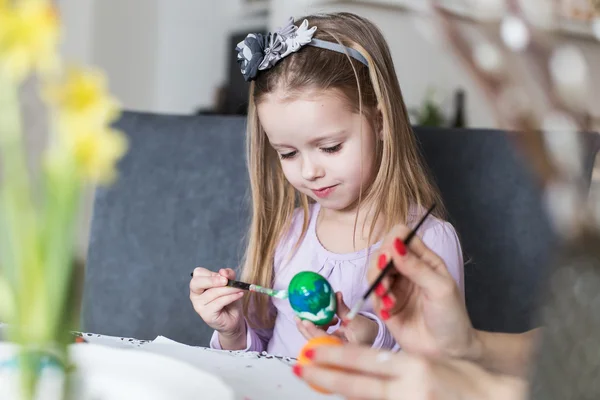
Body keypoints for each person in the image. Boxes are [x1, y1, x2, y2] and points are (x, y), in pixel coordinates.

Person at [189, 12, 464, 358]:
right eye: (287, 153)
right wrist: (233, 331)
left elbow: (447, 369)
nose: (309, 171)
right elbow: (260, 354)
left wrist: (374, 337)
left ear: (380, 122)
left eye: (330, 147)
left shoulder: (427, 243)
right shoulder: (291, 231)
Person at [294, 223, 541, 399]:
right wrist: (466, 345)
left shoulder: (435, 234)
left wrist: (482, 392)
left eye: (332, 147)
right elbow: (566, 353)